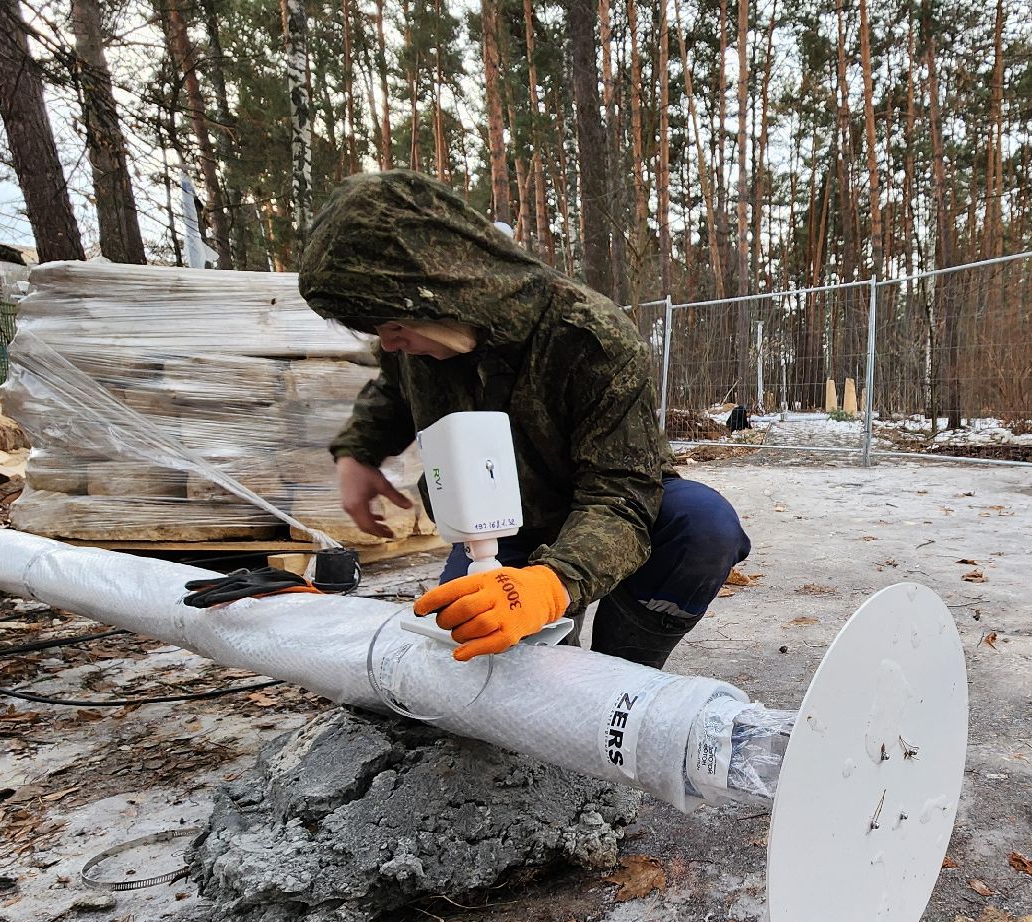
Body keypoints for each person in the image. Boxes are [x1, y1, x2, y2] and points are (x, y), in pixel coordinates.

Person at [296, 171, 751, 669]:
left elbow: (622, 493)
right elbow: (390, 387)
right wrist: (358, 452)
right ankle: (551, 657)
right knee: (469, 659)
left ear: (444, 294)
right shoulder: (417, 343)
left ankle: (625, 670)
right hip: (495, 527)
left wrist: (551, 586)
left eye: (394, 327)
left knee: (704, 525)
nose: (388, 343)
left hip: (604, 512)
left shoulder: (588, 339)